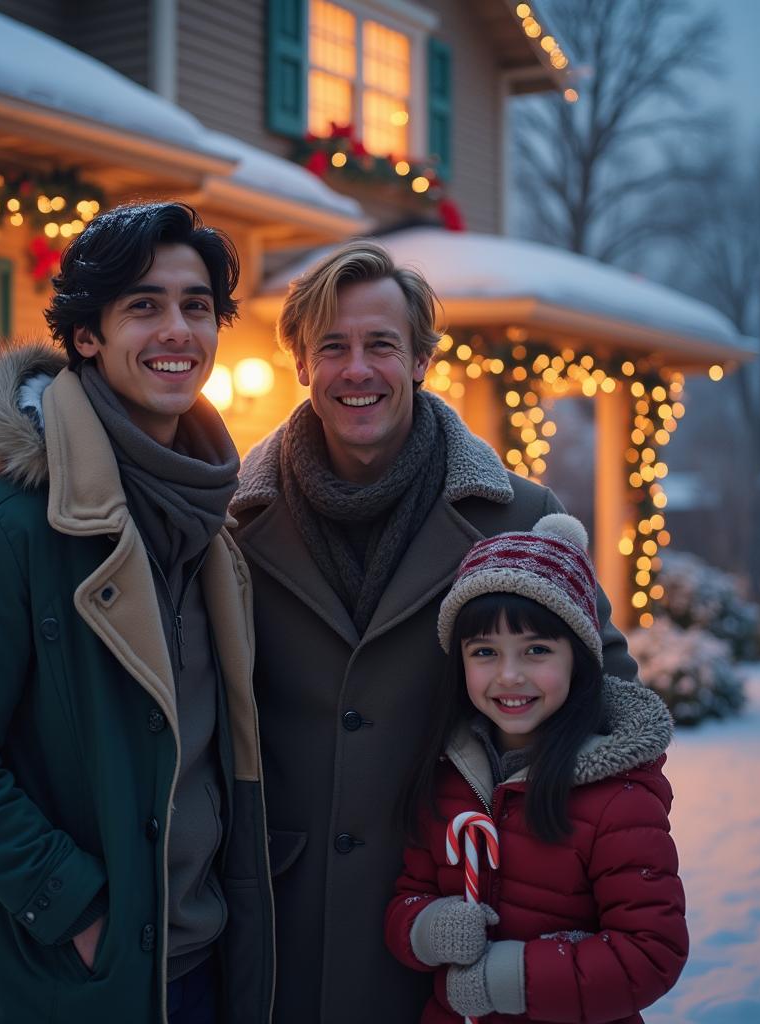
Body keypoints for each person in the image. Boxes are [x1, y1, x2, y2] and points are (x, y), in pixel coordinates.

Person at [230, 240, 638, 1023]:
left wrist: (535, 855)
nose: (358, 370)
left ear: (420, 357)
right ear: (301, 365)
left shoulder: (517, 518)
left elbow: (608, 701)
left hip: (460, 924)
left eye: (381, 344)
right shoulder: (235, 526)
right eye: (333, 347)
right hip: (284, 926)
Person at [0, 202, 274, 1024]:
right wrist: (76, 908)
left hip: (206, 968)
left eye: (195, 306)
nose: (177, 328)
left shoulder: (215, 523)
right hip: (72, 980)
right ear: (89, 335)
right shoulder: (5, 525)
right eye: (144, 305)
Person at [385, 513, 688, 1022]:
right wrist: (426, 927)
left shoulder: (619, 798)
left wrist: (506, 978)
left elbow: (651, 951)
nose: (509, 675)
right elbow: (408, 895)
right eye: (484, 651)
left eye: (537, 650)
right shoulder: (448, 774)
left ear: (579, 658)